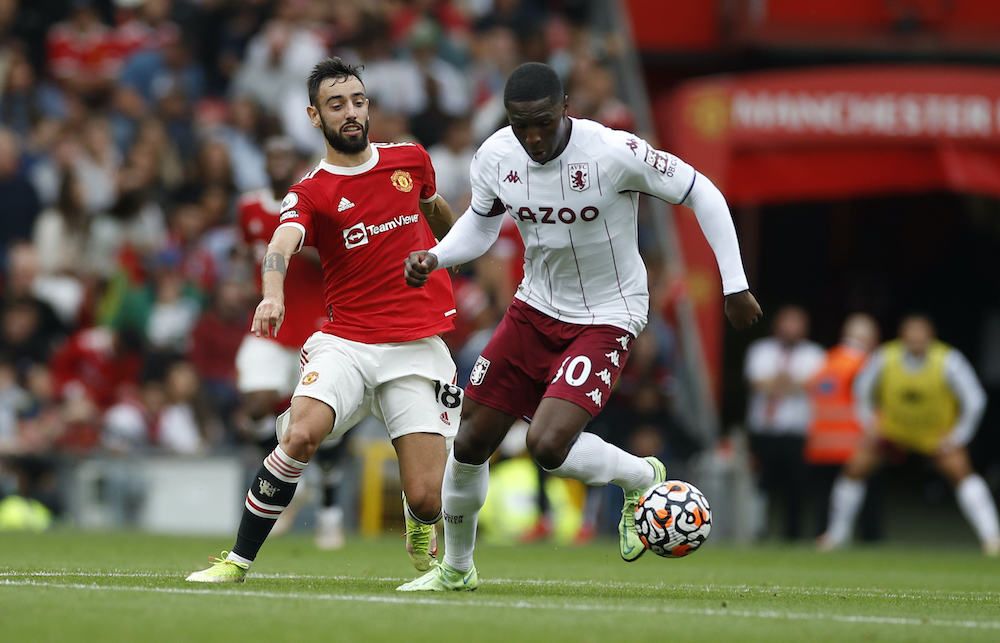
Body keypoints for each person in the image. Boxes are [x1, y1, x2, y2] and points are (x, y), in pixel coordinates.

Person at [399, 62, 761, 591]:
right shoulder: (497, 155)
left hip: (608, 314)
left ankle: (642, 476)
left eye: (543, 122)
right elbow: (480, 225)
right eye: (522, 125)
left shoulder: (613, 152)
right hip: (534, 307)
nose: (534, 137)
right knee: (472, 439)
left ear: (566, 105)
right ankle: (455, 569)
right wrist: (436, 255)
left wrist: (735, 283)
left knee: (547, 445)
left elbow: (700, 190)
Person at [186, 57, 461, 582]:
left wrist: (454, 249)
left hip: (417, 345)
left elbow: (434, 208)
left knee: (427, 496)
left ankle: (419, 521)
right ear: (315, 116)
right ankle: (237, 562)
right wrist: (272, 296)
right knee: (300, 435)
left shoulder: (410, 159)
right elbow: (279, 245)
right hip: (347, 342)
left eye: (358, 101)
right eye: (337, 105)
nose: (351, 112)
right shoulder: (311, 191)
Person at [232, 136, 348, 550]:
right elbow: (245, 255)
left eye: (285, 157)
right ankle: (289, 480)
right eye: (271, 157)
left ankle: (331, 514)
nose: (278, 163)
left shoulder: (312, 202)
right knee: (256, 403)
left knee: (326, 425)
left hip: (315, 322)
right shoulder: (248, 207)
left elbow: (334, 255)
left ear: (296, 163)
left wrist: (297, 240)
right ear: (263, 163)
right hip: (271, 319)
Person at [819, 314, 1000, 555]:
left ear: (931, 335)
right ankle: (836, 536)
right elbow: (861, 390)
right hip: (893, 432)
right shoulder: (885, 356)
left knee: (962, 473)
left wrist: (958, 437)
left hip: (933, 436)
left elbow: (975, 400)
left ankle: (992, 538)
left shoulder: (949, 360)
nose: (915, 338)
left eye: (920, 332)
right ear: (902, 335)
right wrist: (869, 424)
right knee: (854, 469)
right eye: (910, 332)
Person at [744, 305, 825, 540]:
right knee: (759, 486)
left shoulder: (815, 354)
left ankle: (793, 536)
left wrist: (779, 383)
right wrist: (792, 384)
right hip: (764, 431)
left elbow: (813, 386)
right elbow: (757, 383)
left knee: (797, 488)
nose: (791, 328)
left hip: (798, 432)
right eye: (787, 322)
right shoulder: (760, 350)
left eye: (797, 322)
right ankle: (755, 533)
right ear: (777, 325)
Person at [805, 313, 882, 538]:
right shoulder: (866, 365)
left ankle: (824, 538)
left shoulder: (826, 361)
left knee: (825, 501)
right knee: (867, 502)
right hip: (856, 444)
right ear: (871, 338)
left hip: (822, 445)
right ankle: (868, 541)